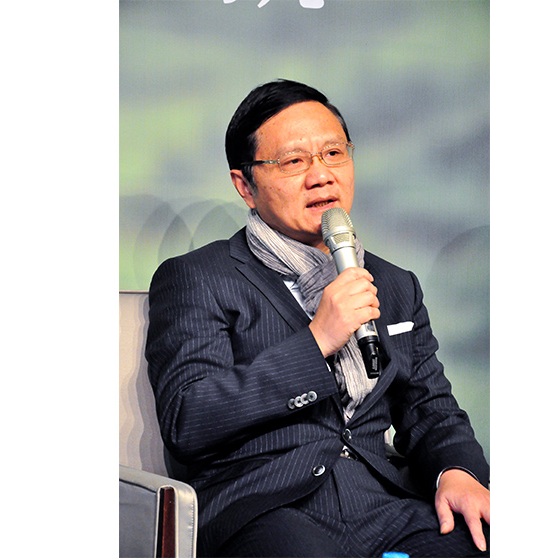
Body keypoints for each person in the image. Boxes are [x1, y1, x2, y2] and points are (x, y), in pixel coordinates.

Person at [145, 79, 490, 557]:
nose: (322, 175)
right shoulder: (199, 277)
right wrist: (317, 340)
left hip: (384, 507)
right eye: (294, 161)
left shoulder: (393, 284)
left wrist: (458, 472)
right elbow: (189, 420)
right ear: (245, 186)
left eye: (333, 153)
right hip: (265, 511)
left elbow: (431, 410)